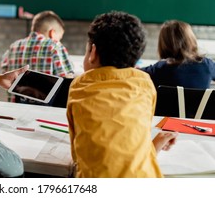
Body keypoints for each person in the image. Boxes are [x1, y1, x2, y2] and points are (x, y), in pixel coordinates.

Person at [66, 11, 178, 178]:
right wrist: (155, 144)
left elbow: (79, 155)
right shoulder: (145, 84)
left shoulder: (79, 86)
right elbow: (129, 149)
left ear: (93, 53)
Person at [1, 10, 74, 103]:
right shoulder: (55, 46)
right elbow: (68, 83)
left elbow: (5, 78)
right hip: (45, 113)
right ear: (52, 33)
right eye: (59, 37)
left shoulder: (13, 47)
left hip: (14, 110)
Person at [141, 20, 215, 89]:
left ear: (164, 44)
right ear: (191, 39)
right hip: (202, 103)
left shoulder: (160, 68)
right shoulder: (207, 65)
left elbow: (132, 73)